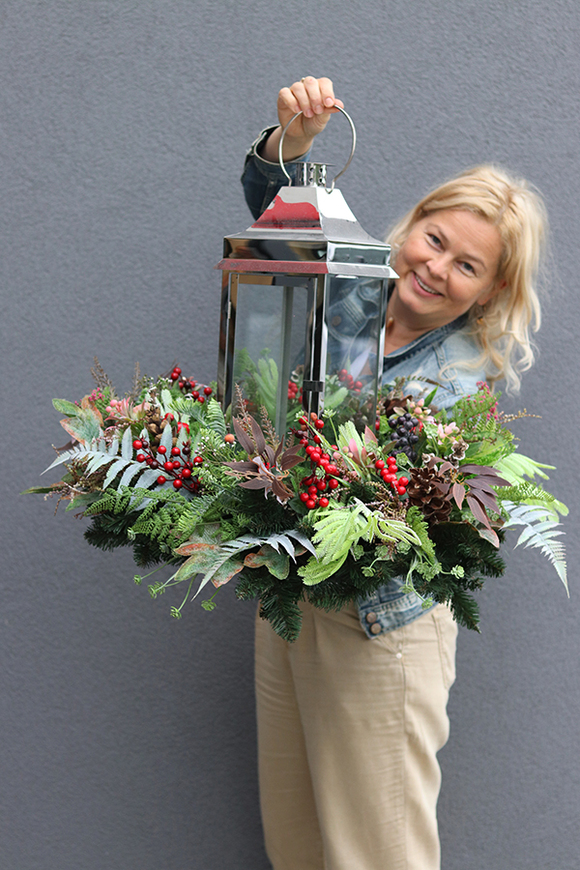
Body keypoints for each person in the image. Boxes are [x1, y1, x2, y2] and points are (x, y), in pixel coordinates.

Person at [241, 76, 547, 870]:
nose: (437, 267)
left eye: (468, 265)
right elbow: (281, 234)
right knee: (299, 845)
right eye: (433, 239)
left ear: (492, 294)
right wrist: (293, 147)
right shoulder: (350, 297)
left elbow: (362, 498)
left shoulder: (456, 382)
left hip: (377, 632)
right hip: (291, 611)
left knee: (375, 858)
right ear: (408, 229)